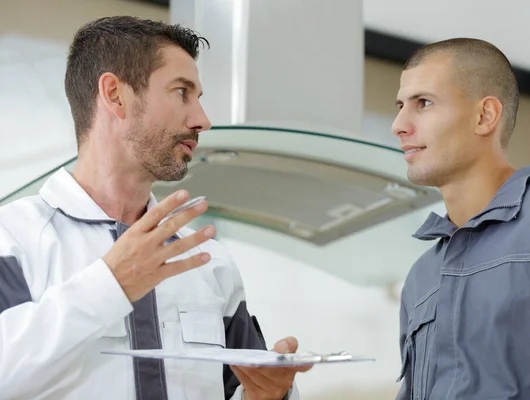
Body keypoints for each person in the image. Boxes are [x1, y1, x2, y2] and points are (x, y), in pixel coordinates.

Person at [0, 16, 310, 400]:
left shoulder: (209, 260)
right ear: (115, 95)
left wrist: (269, 396)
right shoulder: (11, 239)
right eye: (182, 92)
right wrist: (109, 283)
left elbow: (245, 389)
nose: (202, 120)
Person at [393, 38, 530, 399]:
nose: (398, 124)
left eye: (423, 103)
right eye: (399, 106)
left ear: (485, 116)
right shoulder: (421, 278)